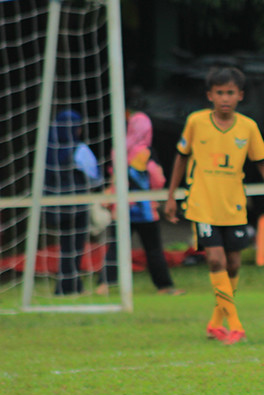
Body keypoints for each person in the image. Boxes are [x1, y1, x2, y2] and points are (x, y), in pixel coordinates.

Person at [164, 67, 264, 344]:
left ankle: (215, 323)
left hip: (234, 206)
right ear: (210, 95)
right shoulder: (196, 122)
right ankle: (236, 324)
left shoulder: (248, 127)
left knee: (232, 264)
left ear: (240, 95)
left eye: (230, 92)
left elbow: (262, 162)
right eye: (219, 93)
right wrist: (171, 195)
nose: (225, 98)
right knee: (215, 259)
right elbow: (181, 158)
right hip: (202, 204)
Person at [97, 90, 182, 295]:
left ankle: (103, 285)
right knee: (153, 249)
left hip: (122, 208)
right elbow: (157, 179)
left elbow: (113, 176)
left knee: (115, 247)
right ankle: (164, 286)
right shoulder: (145, 152)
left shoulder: (118, 149)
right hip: (144, 209)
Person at [43, 109, 101, 295]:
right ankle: (68, 287)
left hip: (56, 208)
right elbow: (94, 178)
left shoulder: (49, 149)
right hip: (77, 205)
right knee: (74, 248)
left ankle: (68, 286)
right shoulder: (79, 149)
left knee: (65, 247)